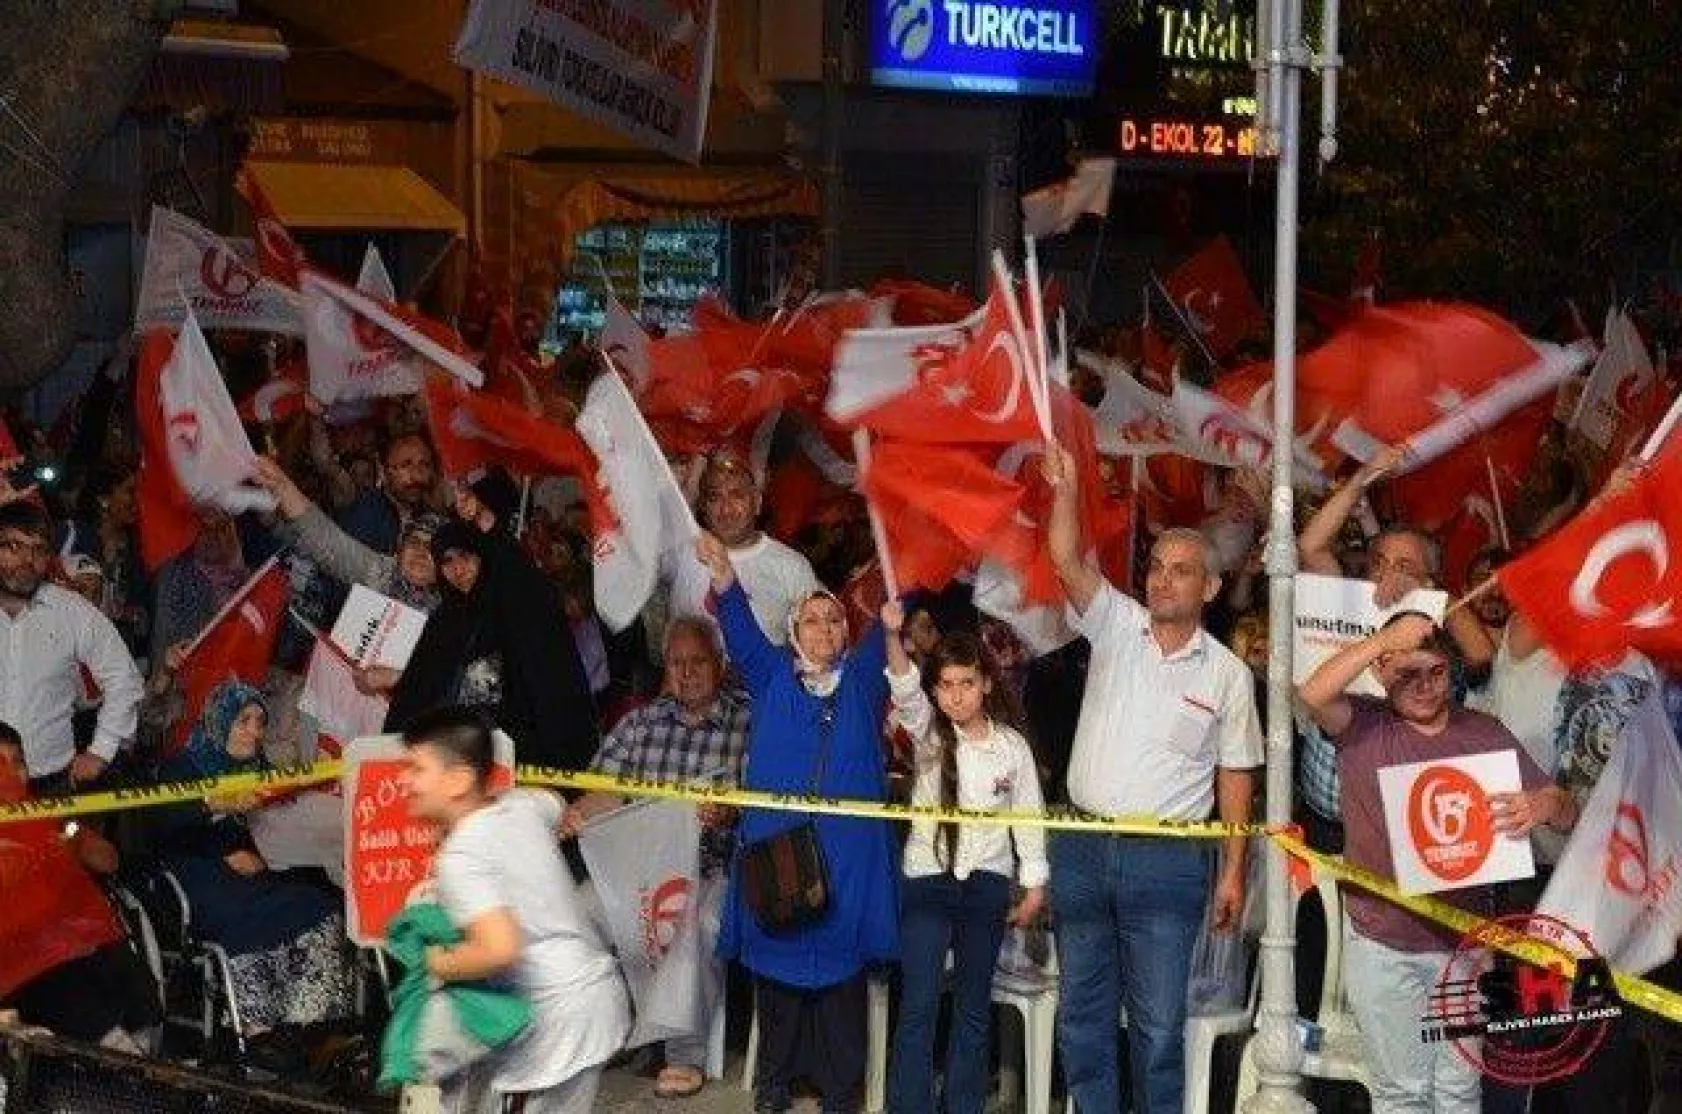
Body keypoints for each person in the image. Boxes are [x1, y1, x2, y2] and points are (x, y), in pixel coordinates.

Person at [1042, 443, 1262, 1114]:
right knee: (1081, 1015)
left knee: (1161, 1026)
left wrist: (1231, 870)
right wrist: (1068, 488)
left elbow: (1236, 775)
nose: (1163, 581)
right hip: (1081, 847)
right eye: (1158, 569)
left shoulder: (1228, 674)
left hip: (1167, 862)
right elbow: (1064, 559)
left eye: (1182, 571)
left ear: (1212, 588)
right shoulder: (1116, 624)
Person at [1296, 613, 1576, 1114]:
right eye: (1407, 673)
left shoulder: (1485, 731)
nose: (1424, 686)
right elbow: (1311, 694)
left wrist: (1545, 804)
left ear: (1452, 672)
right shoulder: (1361, 723)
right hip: (1383, 946)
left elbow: (1565, 807)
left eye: (1436, 672)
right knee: (1402, 1093)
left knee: (1459, 1092)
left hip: (1466, 947)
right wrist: (1385, 639)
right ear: (1382, 672)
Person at [698, 532, 898, 1114]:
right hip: (778, 854)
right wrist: (721, 575)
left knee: (842, 986)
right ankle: (773, 1090)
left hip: (848, 862)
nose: (824, 630)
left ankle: (841, 1096)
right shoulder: (769, 676)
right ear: (794, 632)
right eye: (811, 620)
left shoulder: (863, 680)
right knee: (779, 981)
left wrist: (894, 583)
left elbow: (894, 597)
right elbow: (736, 628)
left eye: (834, 620)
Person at [400, 706, 630, 1114]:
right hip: (591, 998)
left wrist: (437, 961)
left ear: (458, 780)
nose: (404, 780)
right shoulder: (523, 805)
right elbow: (556, 802)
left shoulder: (461, 857)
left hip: (554, 1022)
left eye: (417, 769)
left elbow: (498, 949)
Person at [561, 616, 750, 1099]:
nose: (687, 673)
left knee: (696, 924)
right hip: (636, 873)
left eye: (698, 662)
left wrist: (729, 812)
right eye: (677, 663)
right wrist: (582, 811)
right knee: (573, 914)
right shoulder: (640, 723)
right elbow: (601, 789)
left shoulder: (748, 721)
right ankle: (609, 1028)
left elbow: (763, 799)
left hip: (714, 869)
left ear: (721, 664)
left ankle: (685, 1055)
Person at [881, 602, 1048, 1114]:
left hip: (986, 885)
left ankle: (963, 1106)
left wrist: (1035, 884)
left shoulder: (1012, 748)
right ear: (936, 691)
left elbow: (1029, 817)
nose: (956, 695)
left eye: (966, 683)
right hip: (928, 881)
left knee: (974, 1007)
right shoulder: (929, 733)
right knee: (920, 1004)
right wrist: (893, 634)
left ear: (987, 686)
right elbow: (903, 684)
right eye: (946, 685)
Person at [1295, 443, 1497, 850]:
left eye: (1404, 567)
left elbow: (1482, 654)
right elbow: (1310, 547)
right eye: (1381, 563)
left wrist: (1425, 598)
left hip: (1394, 835)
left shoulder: (1439, 644)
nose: (1388, 574)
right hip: (1321, 824)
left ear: (1429, 577)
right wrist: (1361, 479)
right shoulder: (1346, 605)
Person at [150, 680, 354, 1067]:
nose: (253, 731)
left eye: (260, 723)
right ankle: (258, 1032)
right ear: (219, 721)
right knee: (243, 915)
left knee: (317, 904)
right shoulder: (182, 766)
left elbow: (273, 829)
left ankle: (310, 1026)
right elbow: (162, 822)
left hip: (255, 871)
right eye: (243, 721)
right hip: (197, 872)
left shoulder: (258, 771)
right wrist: (213, 808)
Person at [385, 520, 599, 771]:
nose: (458, 569)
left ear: (482, 555)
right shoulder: (443, 623)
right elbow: (417, 691)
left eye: (465, 556)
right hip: (453, 755)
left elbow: (543, 690)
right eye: (447, 561)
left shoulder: (516, 608)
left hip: (521, 754)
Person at [0, 722, 161, 1052]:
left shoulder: (45, 815)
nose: (12, 772)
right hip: (17, 959)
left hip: (67, 939)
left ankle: (143, 1055)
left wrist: (68, 839)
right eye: (1, 764)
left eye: (18, 761)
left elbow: (109, 860)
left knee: (110, 956)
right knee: (64, 979)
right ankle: (121, 1060)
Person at [0, 499, 142, 787]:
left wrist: (101, 751)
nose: (28, 559)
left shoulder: (72, 610)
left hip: (50, 785)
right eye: (14, 547)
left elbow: (124, 679)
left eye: (39, 549)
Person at [253, 455, 443, 615]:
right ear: (400, 548)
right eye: (415, 542)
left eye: (433, 548)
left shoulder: (452, 605)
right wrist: (282, 485)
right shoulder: (383, 573)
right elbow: (329, 543)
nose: (421, 552)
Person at [667, 453, 820, 645]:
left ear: (757, 503)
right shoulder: (681, 551)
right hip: (688, 674)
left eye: (737, 495)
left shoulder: (791, 566)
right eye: (715, 497)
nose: (726, 509)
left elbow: (818, 643)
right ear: (703, 506)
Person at [336, 430, 441, 555]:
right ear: (383, 470)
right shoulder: (364, 517)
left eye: (424, 464)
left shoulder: (426, 513)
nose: (417, 475)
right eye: (405, 465)